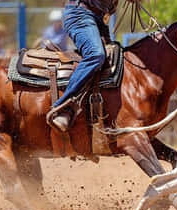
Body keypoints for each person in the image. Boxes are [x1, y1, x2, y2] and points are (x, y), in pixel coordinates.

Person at [49, 0, 129, 131]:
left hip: (98, 19)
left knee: (115, 56)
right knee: (95, 55)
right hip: (80, 14)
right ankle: (64, 107)